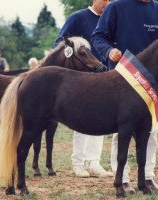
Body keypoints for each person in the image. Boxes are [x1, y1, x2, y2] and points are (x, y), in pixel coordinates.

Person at [92, 0, 158, 192]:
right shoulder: (115, 7)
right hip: (121, 80)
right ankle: (123, 178)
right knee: (121, 132)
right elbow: (98, 37)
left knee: (151, 132)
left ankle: (148, 178)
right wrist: (109, 51)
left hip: (151, 85)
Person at [53, 0, 113, 178]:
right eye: (105, 0)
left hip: (104, 75)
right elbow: (59, 45)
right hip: (81, 80)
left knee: (102, 120)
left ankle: (94, 163)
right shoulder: (77, 18)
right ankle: (78, 163)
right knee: (81, 119)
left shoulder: (110, 19)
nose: (108, 3)